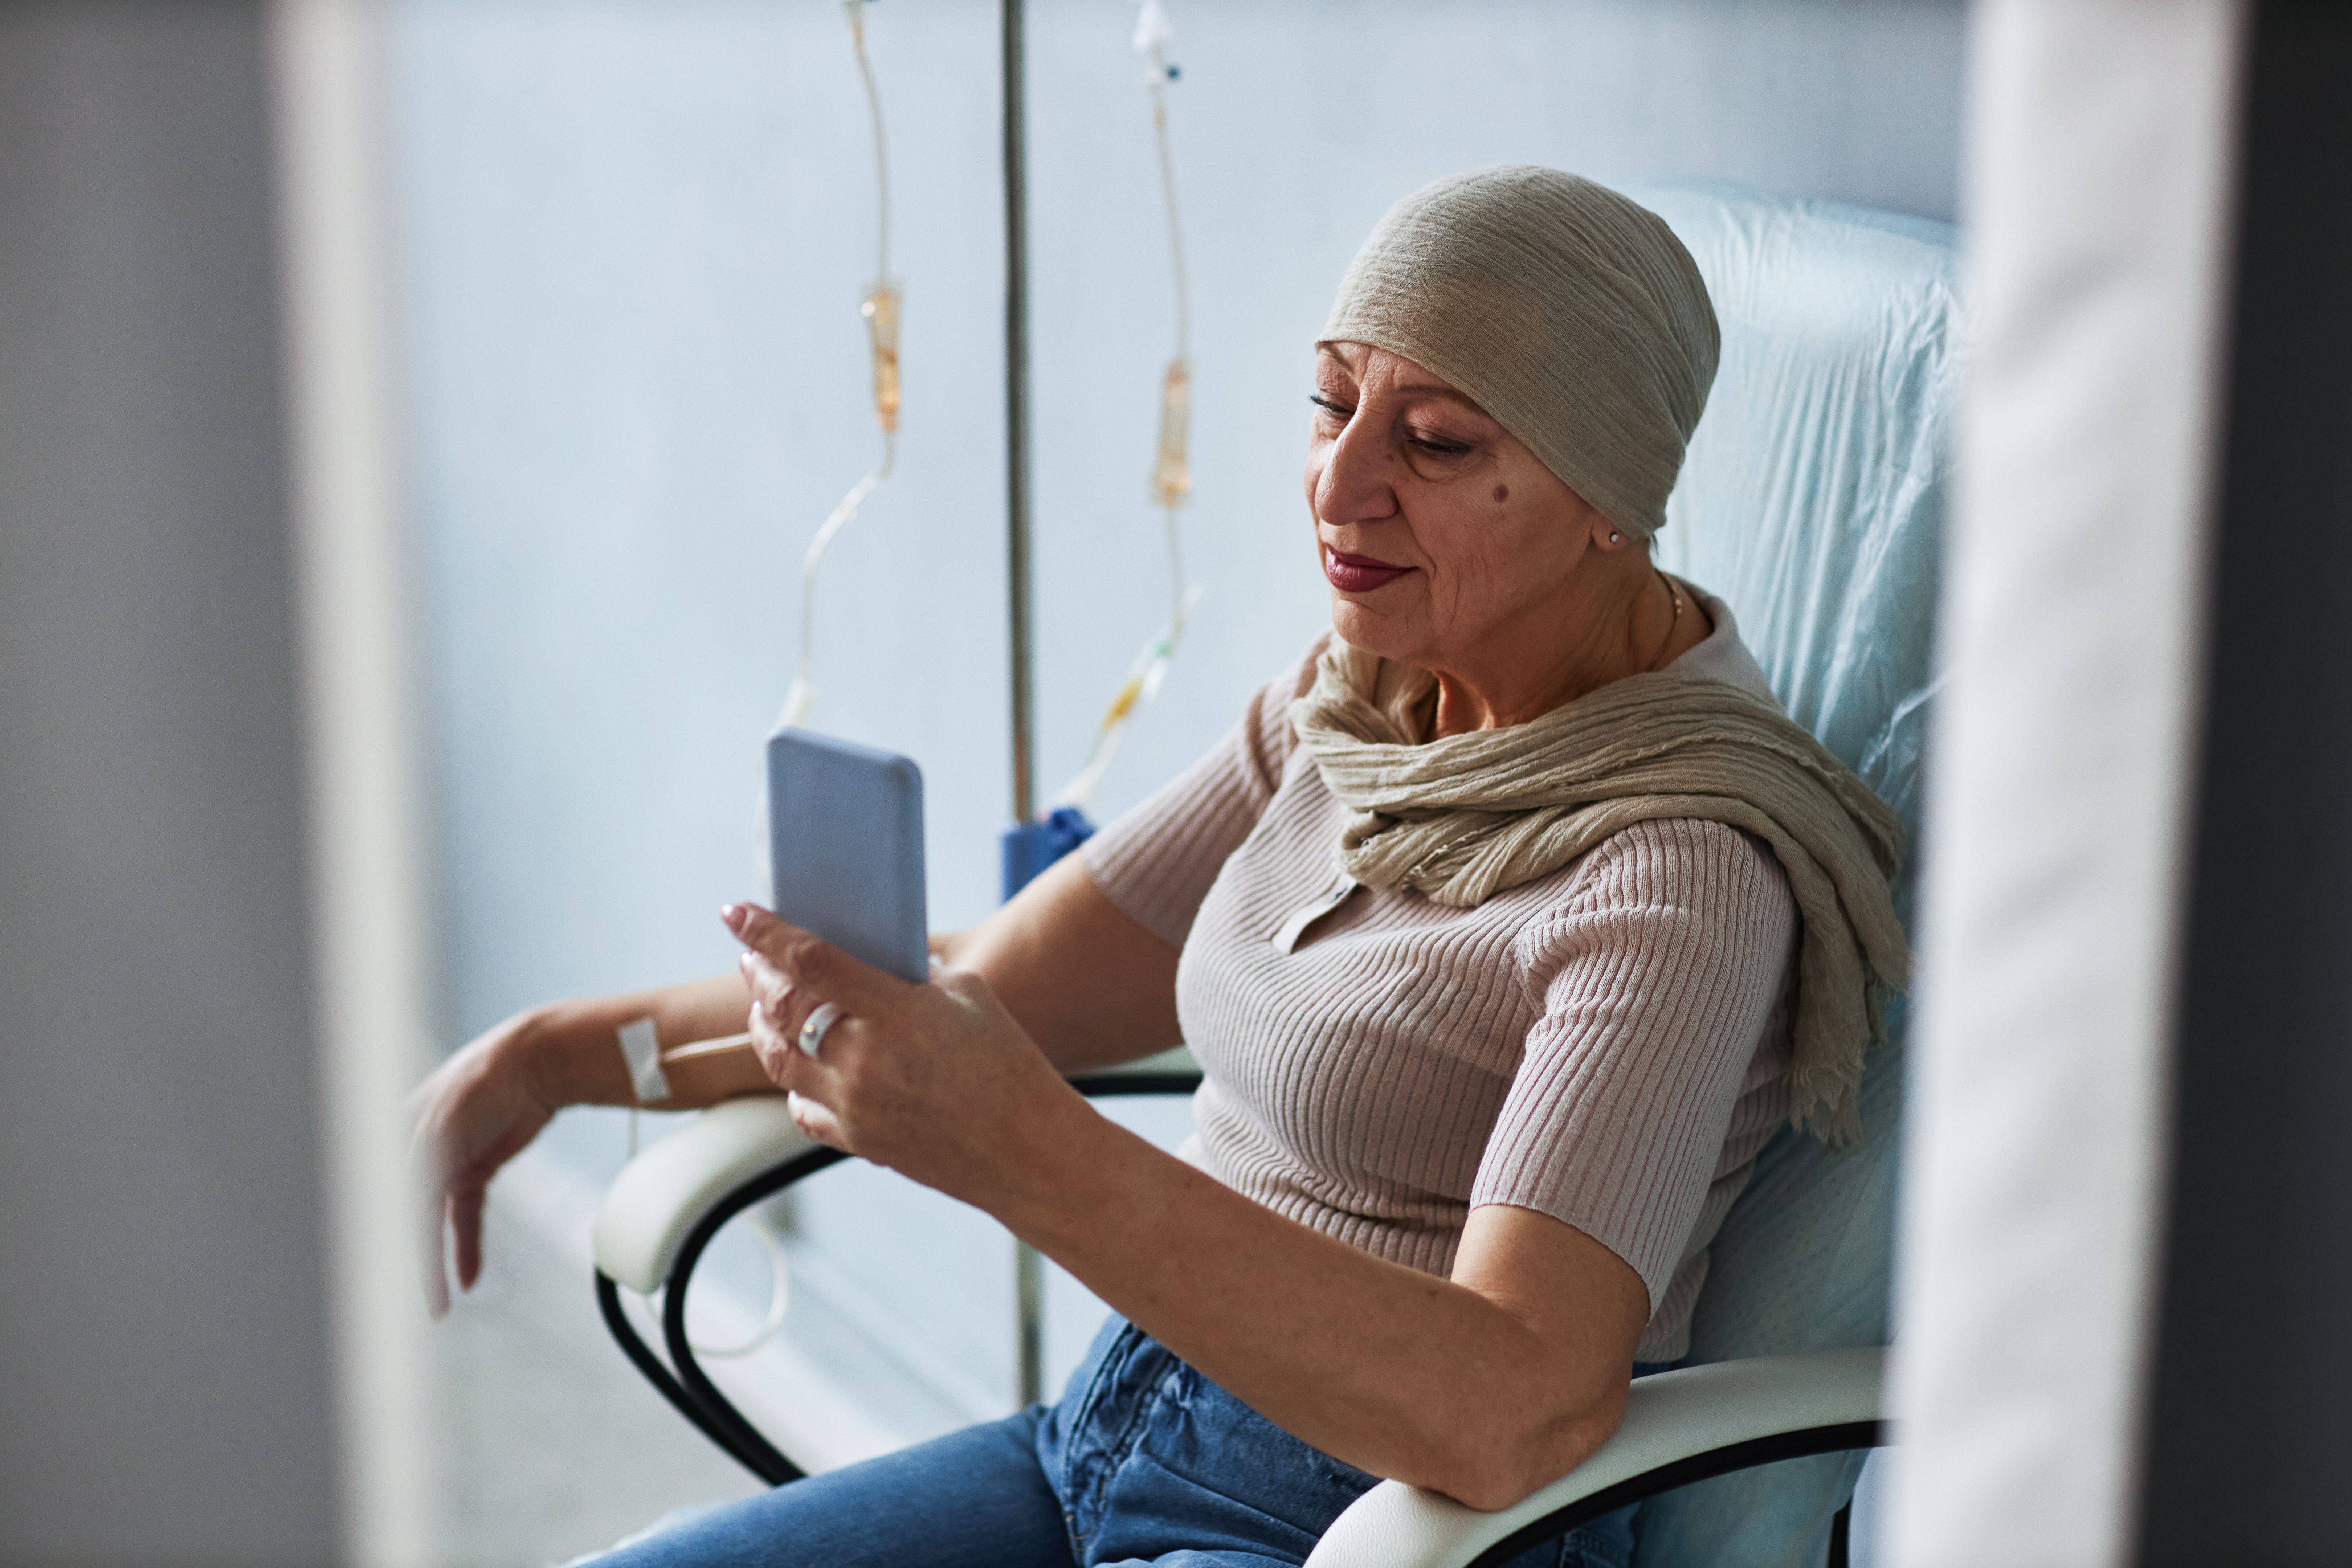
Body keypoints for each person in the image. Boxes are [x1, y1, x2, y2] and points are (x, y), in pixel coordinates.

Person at [409, 165, 1907, 1568]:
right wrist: (563, 1059)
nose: (1340, 489)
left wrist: (1026, 1152)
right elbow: (990, 993)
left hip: (1370, 1528)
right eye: (1330, 406)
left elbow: (1517, 1405)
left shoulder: (1678, 874)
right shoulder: (1355, 713)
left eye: (1439, 443)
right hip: (1110, 1433)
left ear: (1611, 495)